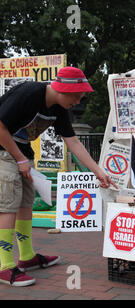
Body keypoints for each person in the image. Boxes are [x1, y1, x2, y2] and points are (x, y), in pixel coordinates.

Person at [0, 66, 117, 287]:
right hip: (4, 153)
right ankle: (4, 266)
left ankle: (26, 257)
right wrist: (19, 159)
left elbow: (72, 142)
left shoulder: (59, 110)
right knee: (7, 206)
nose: (78, 102)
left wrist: (99, 172)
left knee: (25, 204)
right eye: (77, 96)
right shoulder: (29, 93)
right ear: (64, 89)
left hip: (22, 155)